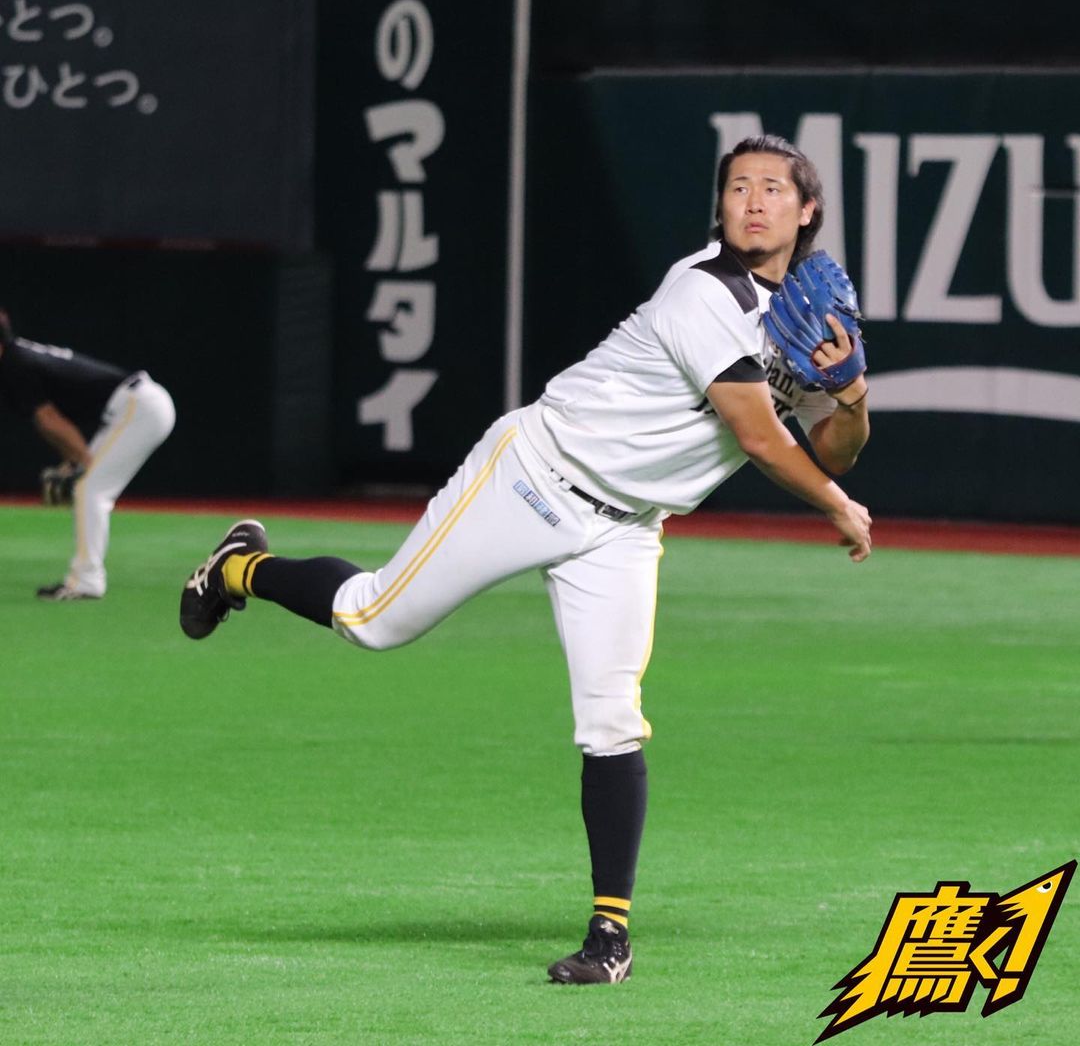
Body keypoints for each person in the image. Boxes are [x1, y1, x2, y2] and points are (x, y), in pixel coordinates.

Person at [179, 134, 871, 984]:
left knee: (613, 719)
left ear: (807, 210)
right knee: (371, 618)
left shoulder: (807, 313)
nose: (753, 200)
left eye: (772, 187)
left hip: (624, 528)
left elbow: (834, 449)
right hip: (535, 475)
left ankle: (609, 938)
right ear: (720, 206)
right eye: (737, 186)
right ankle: (238, 567)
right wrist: (836, 506)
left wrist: (851, 394)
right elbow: (761, 436)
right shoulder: (702, 290)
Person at [0, 308, 176, 600]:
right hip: (136, 405)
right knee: (87, 487)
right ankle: (85, 578)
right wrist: (75, 462)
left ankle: (86, 581)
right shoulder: (16, 357)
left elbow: (50, 420)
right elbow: (48, 421)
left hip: (140, 407)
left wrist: (81, 462)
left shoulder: (14, 364)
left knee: (89, 489)